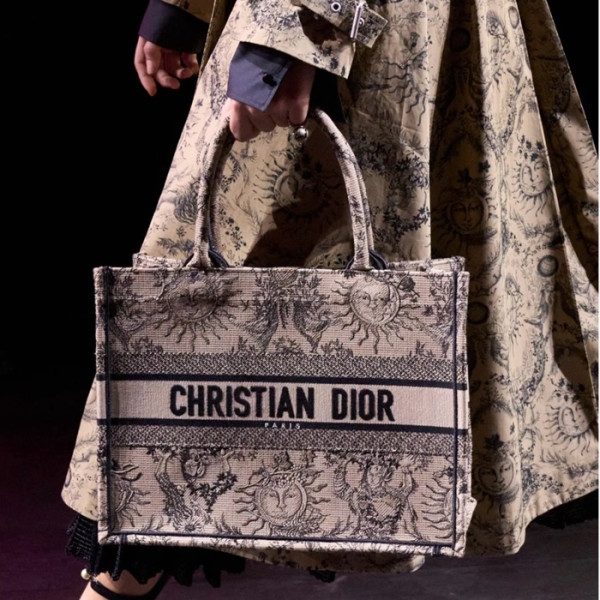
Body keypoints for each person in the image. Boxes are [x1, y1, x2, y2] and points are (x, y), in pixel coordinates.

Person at [63, 0, 598, 597]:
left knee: (204, 327)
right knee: (206, 336)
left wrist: (290, 39)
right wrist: (182, 11)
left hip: (361, 36)